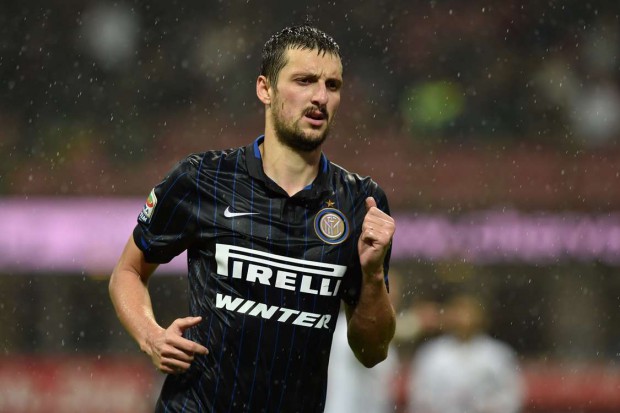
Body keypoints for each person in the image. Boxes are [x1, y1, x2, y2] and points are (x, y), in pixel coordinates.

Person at [108, 24, 396, 413]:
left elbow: (372, 351)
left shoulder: (361, 203)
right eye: (304, 81)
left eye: (332, 85)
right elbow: (127, 271)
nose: (320, 97)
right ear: (265, 89)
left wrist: (373, 275)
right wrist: (151, 336)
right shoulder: (202, 179)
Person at [407, 294, 524, 413]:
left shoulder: (497, 354)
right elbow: (419, 396)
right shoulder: (431, 353)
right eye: (458, 313)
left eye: (469, 313)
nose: (464, 319)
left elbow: (512, 395)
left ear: (481, 318)